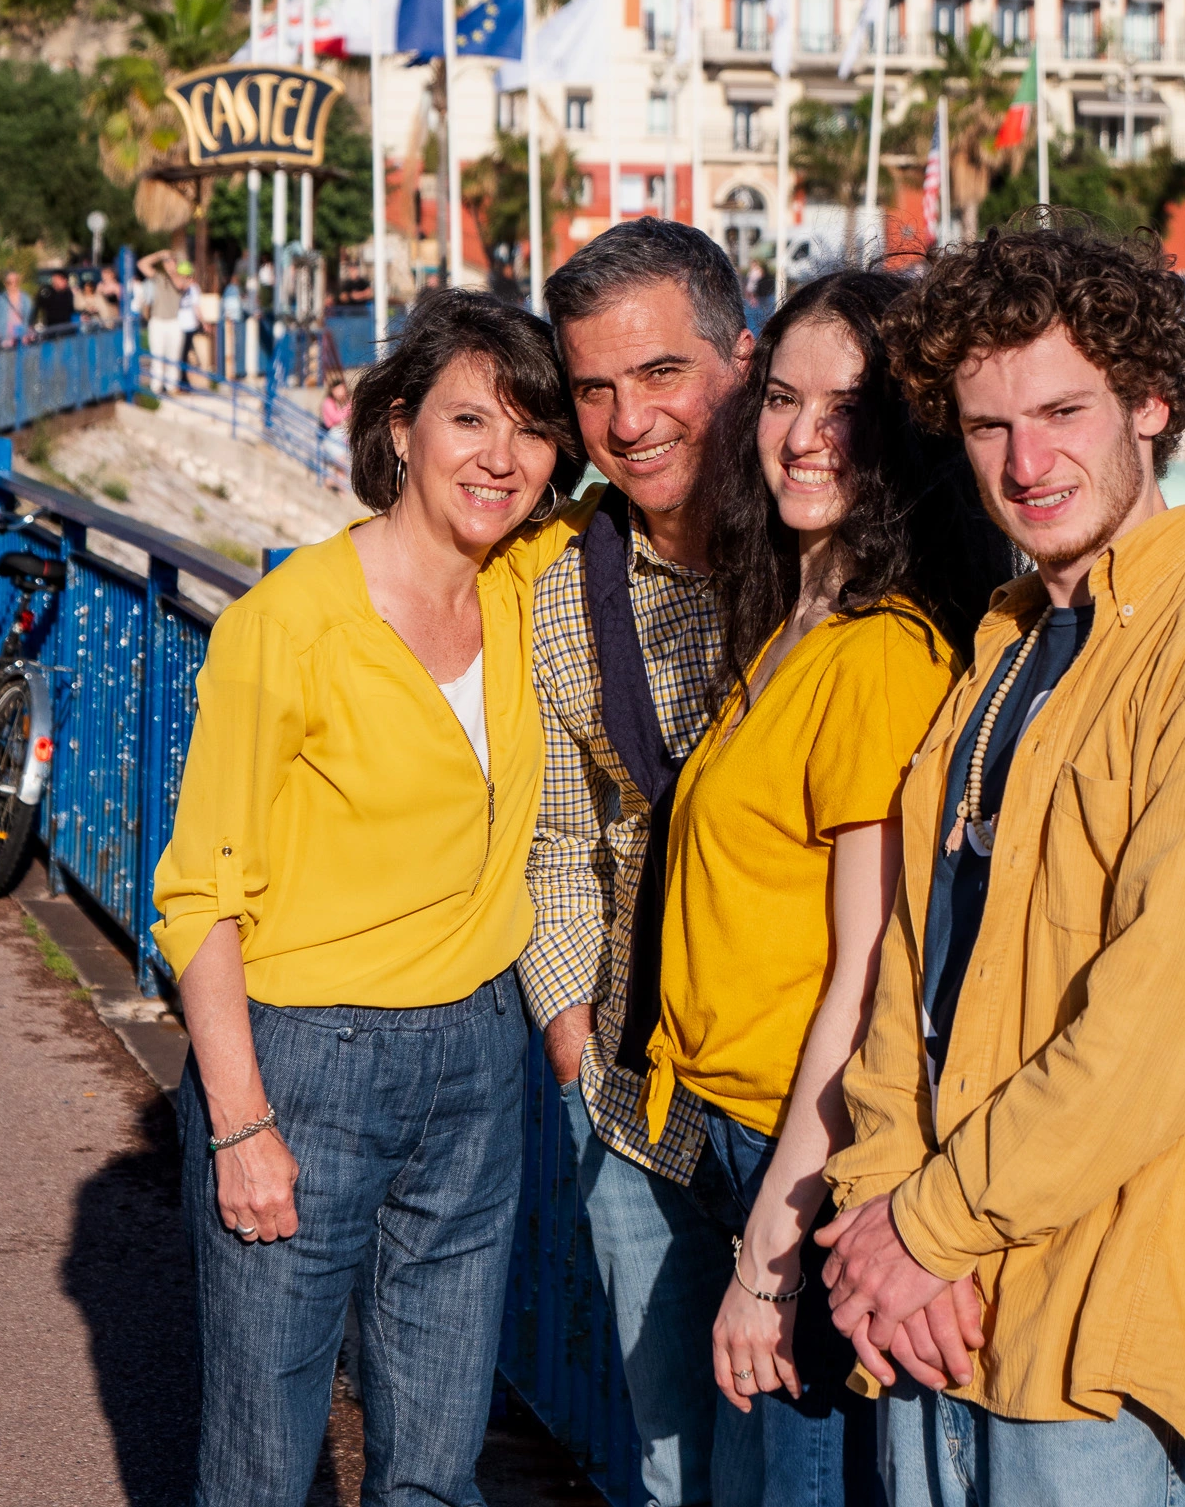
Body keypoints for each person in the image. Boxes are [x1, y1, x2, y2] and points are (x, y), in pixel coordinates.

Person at [817, 224, 1185, 1507]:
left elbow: (1164, 1022)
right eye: (990, 425)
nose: (1028, 461)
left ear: (1150, 401)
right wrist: (883, 1198)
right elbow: (909, 960)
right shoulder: (1002, 642)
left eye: (1064, 411)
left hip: (1092, 1345)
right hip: (935, 1316)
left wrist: (920, 1229)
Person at [154, 290, 591, 1507]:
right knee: (263, 1449)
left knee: (440, 1458)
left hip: (478, 1056)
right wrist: (240, 1123)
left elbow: (669, 478)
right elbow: (199, 894)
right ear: (397, 426)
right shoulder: (285, 626)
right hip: (306, 1058)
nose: (500, 457)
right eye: (467, 419)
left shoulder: (524, 581)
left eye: (532, 428)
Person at [644, 271, 1009, 1506]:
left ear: (905, 432)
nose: (805, 435)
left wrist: (774, 1250)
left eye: (846, 408)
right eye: (783, 397)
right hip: (718, 1123)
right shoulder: (796, 615)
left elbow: (865, 976)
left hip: (792, 1155)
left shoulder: (881, 654)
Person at [523, 218, 761, 1507]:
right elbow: (562, 836)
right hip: (630, 1093)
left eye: (663, 371)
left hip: (805, 1108)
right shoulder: (559, 583)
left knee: (803, 1466)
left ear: (742, 358)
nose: (630, 418)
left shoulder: (829, 560)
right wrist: (569, 1029)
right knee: (670, 1465)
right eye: (597, 387)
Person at [138, 250, 184, 394]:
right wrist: (159, 255)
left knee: (173, 357)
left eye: (171, 261)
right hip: (157, 321)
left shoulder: (180, 277)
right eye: (166, 262)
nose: (168, 264)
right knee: (157, 356)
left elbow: (180, 285)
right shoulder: (158, 277)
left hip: (174, 322)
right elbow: (141, 264)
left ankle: (172, 387)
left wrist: (173, 270)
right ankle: (156, 387)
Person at [0, 269, 31, 343]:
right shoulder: (1, 298)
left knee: (21, 352)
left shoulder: (25, 298)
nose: (13, 284)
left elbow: (30, 317)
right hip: (5, 333)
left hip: (22, 332)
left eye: (15, 281)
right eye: (9, 282)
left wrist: (29, 332)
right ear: (5, 283)